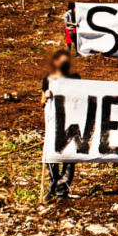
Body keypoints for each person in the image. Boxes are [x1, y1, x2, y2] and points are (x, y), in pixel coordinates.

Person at [41, 49, 81, 200]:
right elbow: (42, 102)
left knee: (69, 156)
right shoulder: (48, 79)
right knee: (52, 154)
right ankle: (53, 186)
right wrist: (46, 97)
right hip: (54, 123)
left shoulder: (75, 78)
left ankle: (62, 190)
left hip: (71, 122)